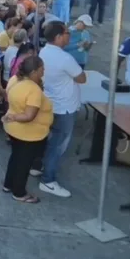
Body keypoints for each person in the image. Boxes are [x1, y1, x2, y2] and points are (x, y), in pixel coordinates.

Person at [36, 22, 86, 198]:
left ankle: (37, 167)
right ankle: (48, 180)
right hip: (64, 107)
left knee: (46, 139)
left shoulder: (43, 52)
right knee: (58, 145)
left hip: (49, 103)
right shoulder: (65, 59)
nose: (69, 36)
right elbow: (81, 78)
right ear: (58, 37)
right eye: (66, 33)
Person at [2, 56, 51, 204]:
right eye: (42, 69)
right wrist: (15, 117)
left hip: (15, 131)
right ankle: (19, 192)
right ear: (35, 71)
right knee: (24, 163)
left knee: (16, 157)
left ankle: (8, 184)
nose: (44, 71)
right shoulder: (33, 90)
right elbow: (29, 115)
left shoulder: (16, 81)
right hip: (28, 134)